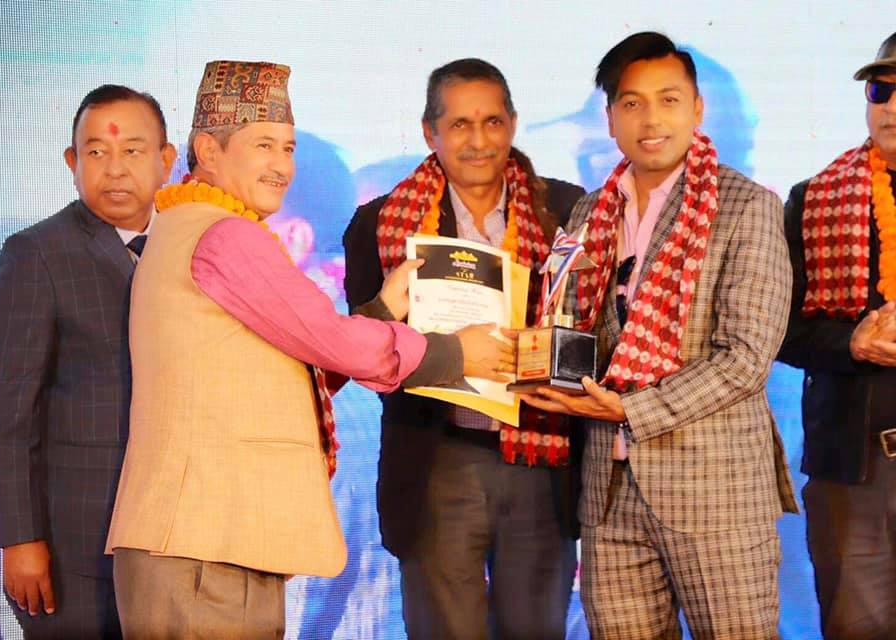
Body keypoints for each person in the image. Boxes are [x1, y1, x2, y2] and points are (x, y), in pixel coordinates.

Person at [104, 59, 506, 639]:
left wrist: (380, 312)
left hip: (199, 541)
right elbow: (328, 340)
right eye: (263, 145)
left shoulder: (182, 225)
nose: (281, 166)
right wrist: (456, 355)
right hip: (203, 545)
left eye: (288, 148)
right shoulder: (224, 234)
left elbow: (295, 364)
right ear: (208, 150)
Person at [521, 32, 798, 638]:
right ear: (610, 118)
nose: (651, 120)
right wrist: (536, 369)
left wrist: (630, 408)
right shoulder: (589, 213)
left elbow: (746, 357)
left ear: (697, 109)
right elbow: (576, 329)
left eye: (668, 100)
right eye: (632, 103)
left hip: (715, 495)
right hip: (609, 494)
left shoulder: (746, 206)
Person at [343, 58, 585, 639]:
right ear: (429, 132)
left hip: (540, 456)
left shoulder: (569, 210)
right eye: (459, 125)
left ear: (513, 124)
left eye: (492, 122)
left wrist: (547, 353)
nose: (479, 141)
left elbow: (602, 330)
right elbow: (360, 347)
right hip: (437, 458)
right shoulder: (379, 223)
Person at [0, 84, 177, 638]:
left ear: (166, 161)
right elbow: (6, 415)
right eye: (96, 152)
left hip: (175, 537)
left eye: (133, 151)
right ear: (72, 162)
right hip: (76, 545)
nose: (115, 169)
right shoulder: (39, 253)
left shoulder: (190, 246)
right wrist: (20, 539)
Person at [777, 32, 896, 640]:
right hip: (856, 469)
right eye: (881, 90)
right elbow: (780, 330)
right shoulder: (814, 200)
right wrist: (852, 343)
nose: (892, 106)